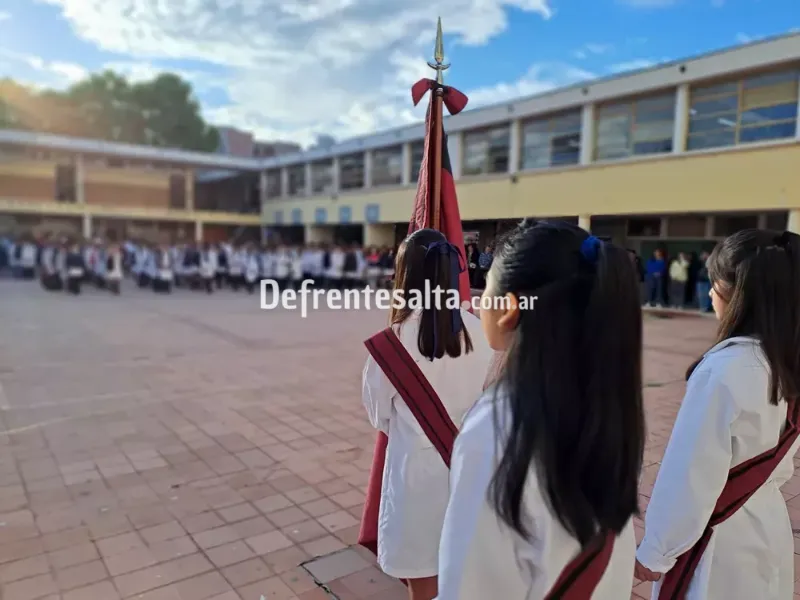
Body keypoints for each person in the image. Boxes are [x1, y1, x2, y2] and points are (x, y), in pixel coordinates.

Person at [437, 220, 645, 599]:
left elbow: (469, 588)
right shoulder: (607, 399)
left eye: (487, 289)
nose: (479, 300)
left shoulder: (498, 427)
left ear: (509, 309)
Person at [635, 229, 800, 599]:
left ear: (739, 294)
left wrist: (656, 551)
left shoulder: (725, 369)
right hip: (766, 520)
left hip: (720, 536)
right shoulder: (786, 360)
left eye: (715, 283)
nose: (710, 292)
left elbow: (690, 476)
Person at [362, 228, 493, 600]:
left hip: (416, 482)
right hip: (471, 473)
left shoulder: (390, 343)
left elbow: (380, 418)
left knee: (423, 585)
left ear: (403, 277)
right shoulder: (481, 332)